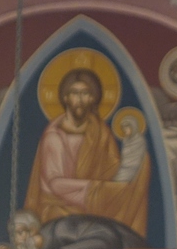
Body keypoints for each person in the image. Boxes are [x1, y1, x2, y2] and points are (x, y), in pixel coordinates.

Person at [24, 68, 150, 237]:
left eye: (86, 94)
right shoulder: (54, 136)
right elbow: (55, 184)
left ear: (93, 98)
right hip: (60, 207)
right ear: (65, 97)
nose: (80, 100)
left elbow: (111, 171)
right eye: (75, 93)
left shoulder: (99, 130)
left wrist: (131, 161)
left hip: (94, 204)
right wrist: (93, 191)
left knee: (141, 168)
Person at [0, 209, 146, 249]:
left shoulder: (62, 229)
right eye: (12, 236)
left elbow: (107, 241)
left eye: (19, 233)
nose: (16, 241)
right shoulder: (37, 245)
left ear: (33, 230)